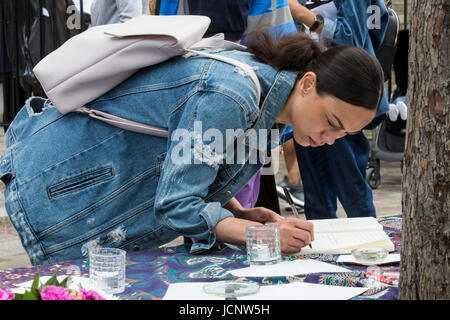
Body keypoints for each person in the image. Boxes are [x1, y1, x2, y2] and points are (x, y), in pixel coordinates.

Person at [1, 32, 384, 265]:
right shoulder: (233, 95)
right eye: (333, 123)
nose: (329, 139)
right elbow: (176, 204)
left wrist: (240, 212)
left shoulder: (268, 97)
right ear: (307, 83)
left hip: (81, 184)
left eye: (343, 134)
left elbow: (197, 163)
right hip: (66, 190)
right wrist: (259, 237)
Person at [284, 0, 390, 219]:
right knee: (315, 193)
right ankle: (321, 248)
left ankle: (367, 244)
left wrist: (301, 13)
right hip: (307, 97)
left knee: (351, 187)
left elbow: (352, 40)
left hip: (342, 100)